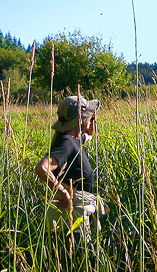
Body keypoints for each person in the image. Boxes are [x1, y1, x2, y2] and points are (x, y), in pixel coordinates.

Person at [35, 95, 107, 242]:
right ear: (80, 119)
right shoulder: (66, 142)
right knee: (72, 260)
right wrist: (64, 194)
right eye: (90, 117)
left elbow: (87, 137)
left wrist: (90, 129)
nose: (92, 119)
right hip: (71, 221)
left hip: (77, 217)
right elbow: (41, 168)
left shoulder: (73, 139)